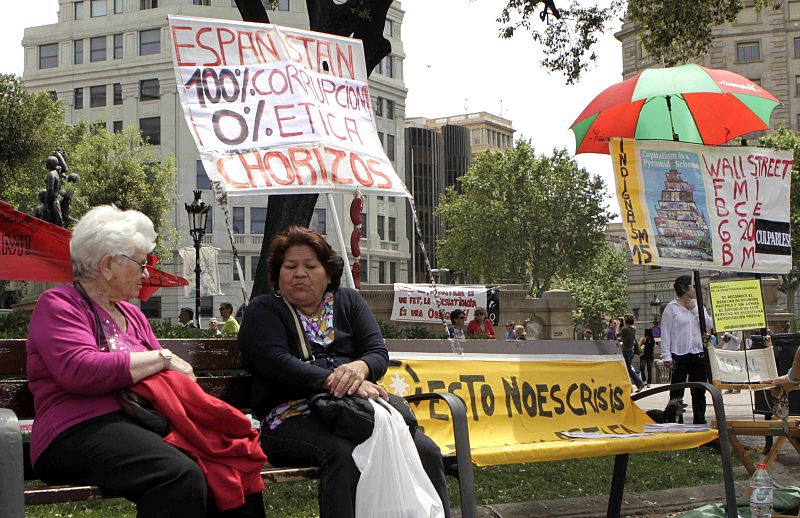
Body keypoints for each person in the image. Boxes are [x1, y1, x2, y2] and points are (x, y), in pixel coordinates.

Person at [27, 205, 264, 517]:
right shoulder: (60, 305)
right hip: (74, 428)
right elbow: (79, 371)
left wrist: (162, 366)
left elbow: (166, 378)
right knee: (178, 475)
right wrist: (162, 358)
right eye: (141, 264)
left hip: (142, 423)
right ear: (108, 265)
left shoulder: (132, 314)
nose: (147, 273)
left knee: (226, 467)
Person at [238, 226, 450, 518]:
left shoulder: (349, 301)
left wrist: (360, 367)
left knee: (425, 450)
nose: (300, 273)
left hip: (354, 412)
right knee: (343, 454)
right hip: (290, 416)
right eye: (290, 266)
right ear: (278, 274)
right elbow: (274, 361)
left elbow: (377, 353)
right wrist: (337, 380)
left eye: (310, 266)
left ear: (328, 272)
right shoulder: (263, 310)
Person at [661, 275, 714, 424]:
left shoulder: (698, 306)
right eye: (692, 286)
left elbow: (709, 325)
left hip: (697, 353)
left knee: (699, 391)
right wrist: (666, 355)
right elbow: (665, 333)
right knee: (677, 392)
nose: (695, 289)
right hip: (679, 354)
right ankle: (676, 423)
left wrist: (695, 309)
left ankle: (699, 422)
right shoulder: (672, 308)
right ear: (685, 289)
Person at [619, 314, 644, 391]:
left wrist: (618, 326)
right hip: (631, 351)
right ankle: (633, 385)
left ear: (626, 321)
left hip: (626, 351)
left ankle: (639, 383)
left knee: (627, 369)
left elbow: (617, 335)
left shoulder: (625, 329)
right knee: (628, 368)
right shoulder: (633, 329)